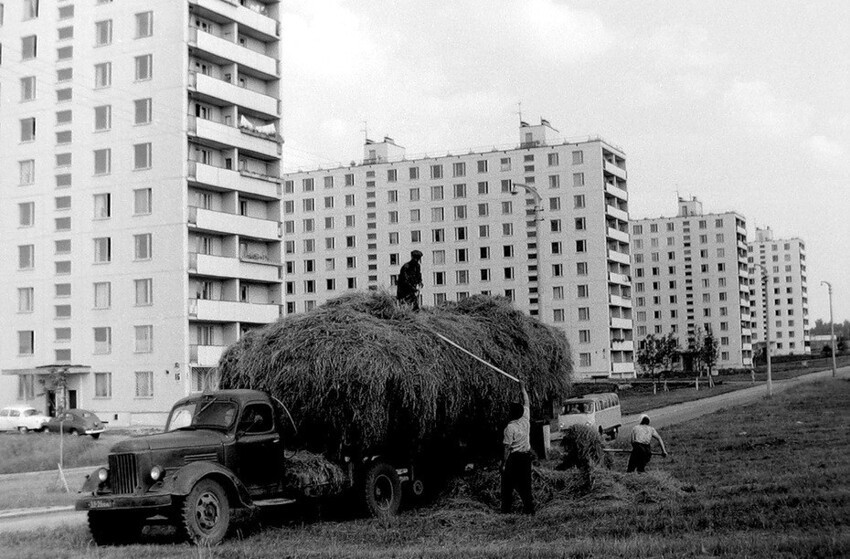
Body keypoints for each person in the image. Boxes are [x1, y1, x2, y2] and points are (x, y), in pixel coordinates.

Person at [501, 384, 534, 514]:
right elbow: (526, 401)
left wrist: (503, 464)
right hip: (526, 458)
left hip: (514, 459)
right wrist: (522, 388)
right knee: (526, 484)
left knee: (507, 485)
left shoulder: (510, 428)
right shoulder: (526, 419)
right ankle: (529, 510)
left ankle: (506, 510)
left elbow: (507, 448)